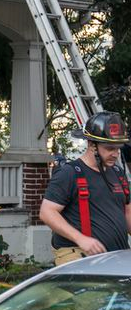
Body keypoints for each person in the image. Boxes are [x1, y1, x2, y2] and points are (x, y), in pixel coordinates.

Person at [40, 111, 131, 265]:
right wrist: (80, 239)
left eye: (118, 148)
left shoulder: (118, 173)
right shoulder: (69, 173)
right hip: (79, 255)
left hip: (116, 255)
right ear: (91, 144)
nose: (115, 154)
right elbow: (47, 212)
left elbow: (128, 212)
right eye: (109, 148)